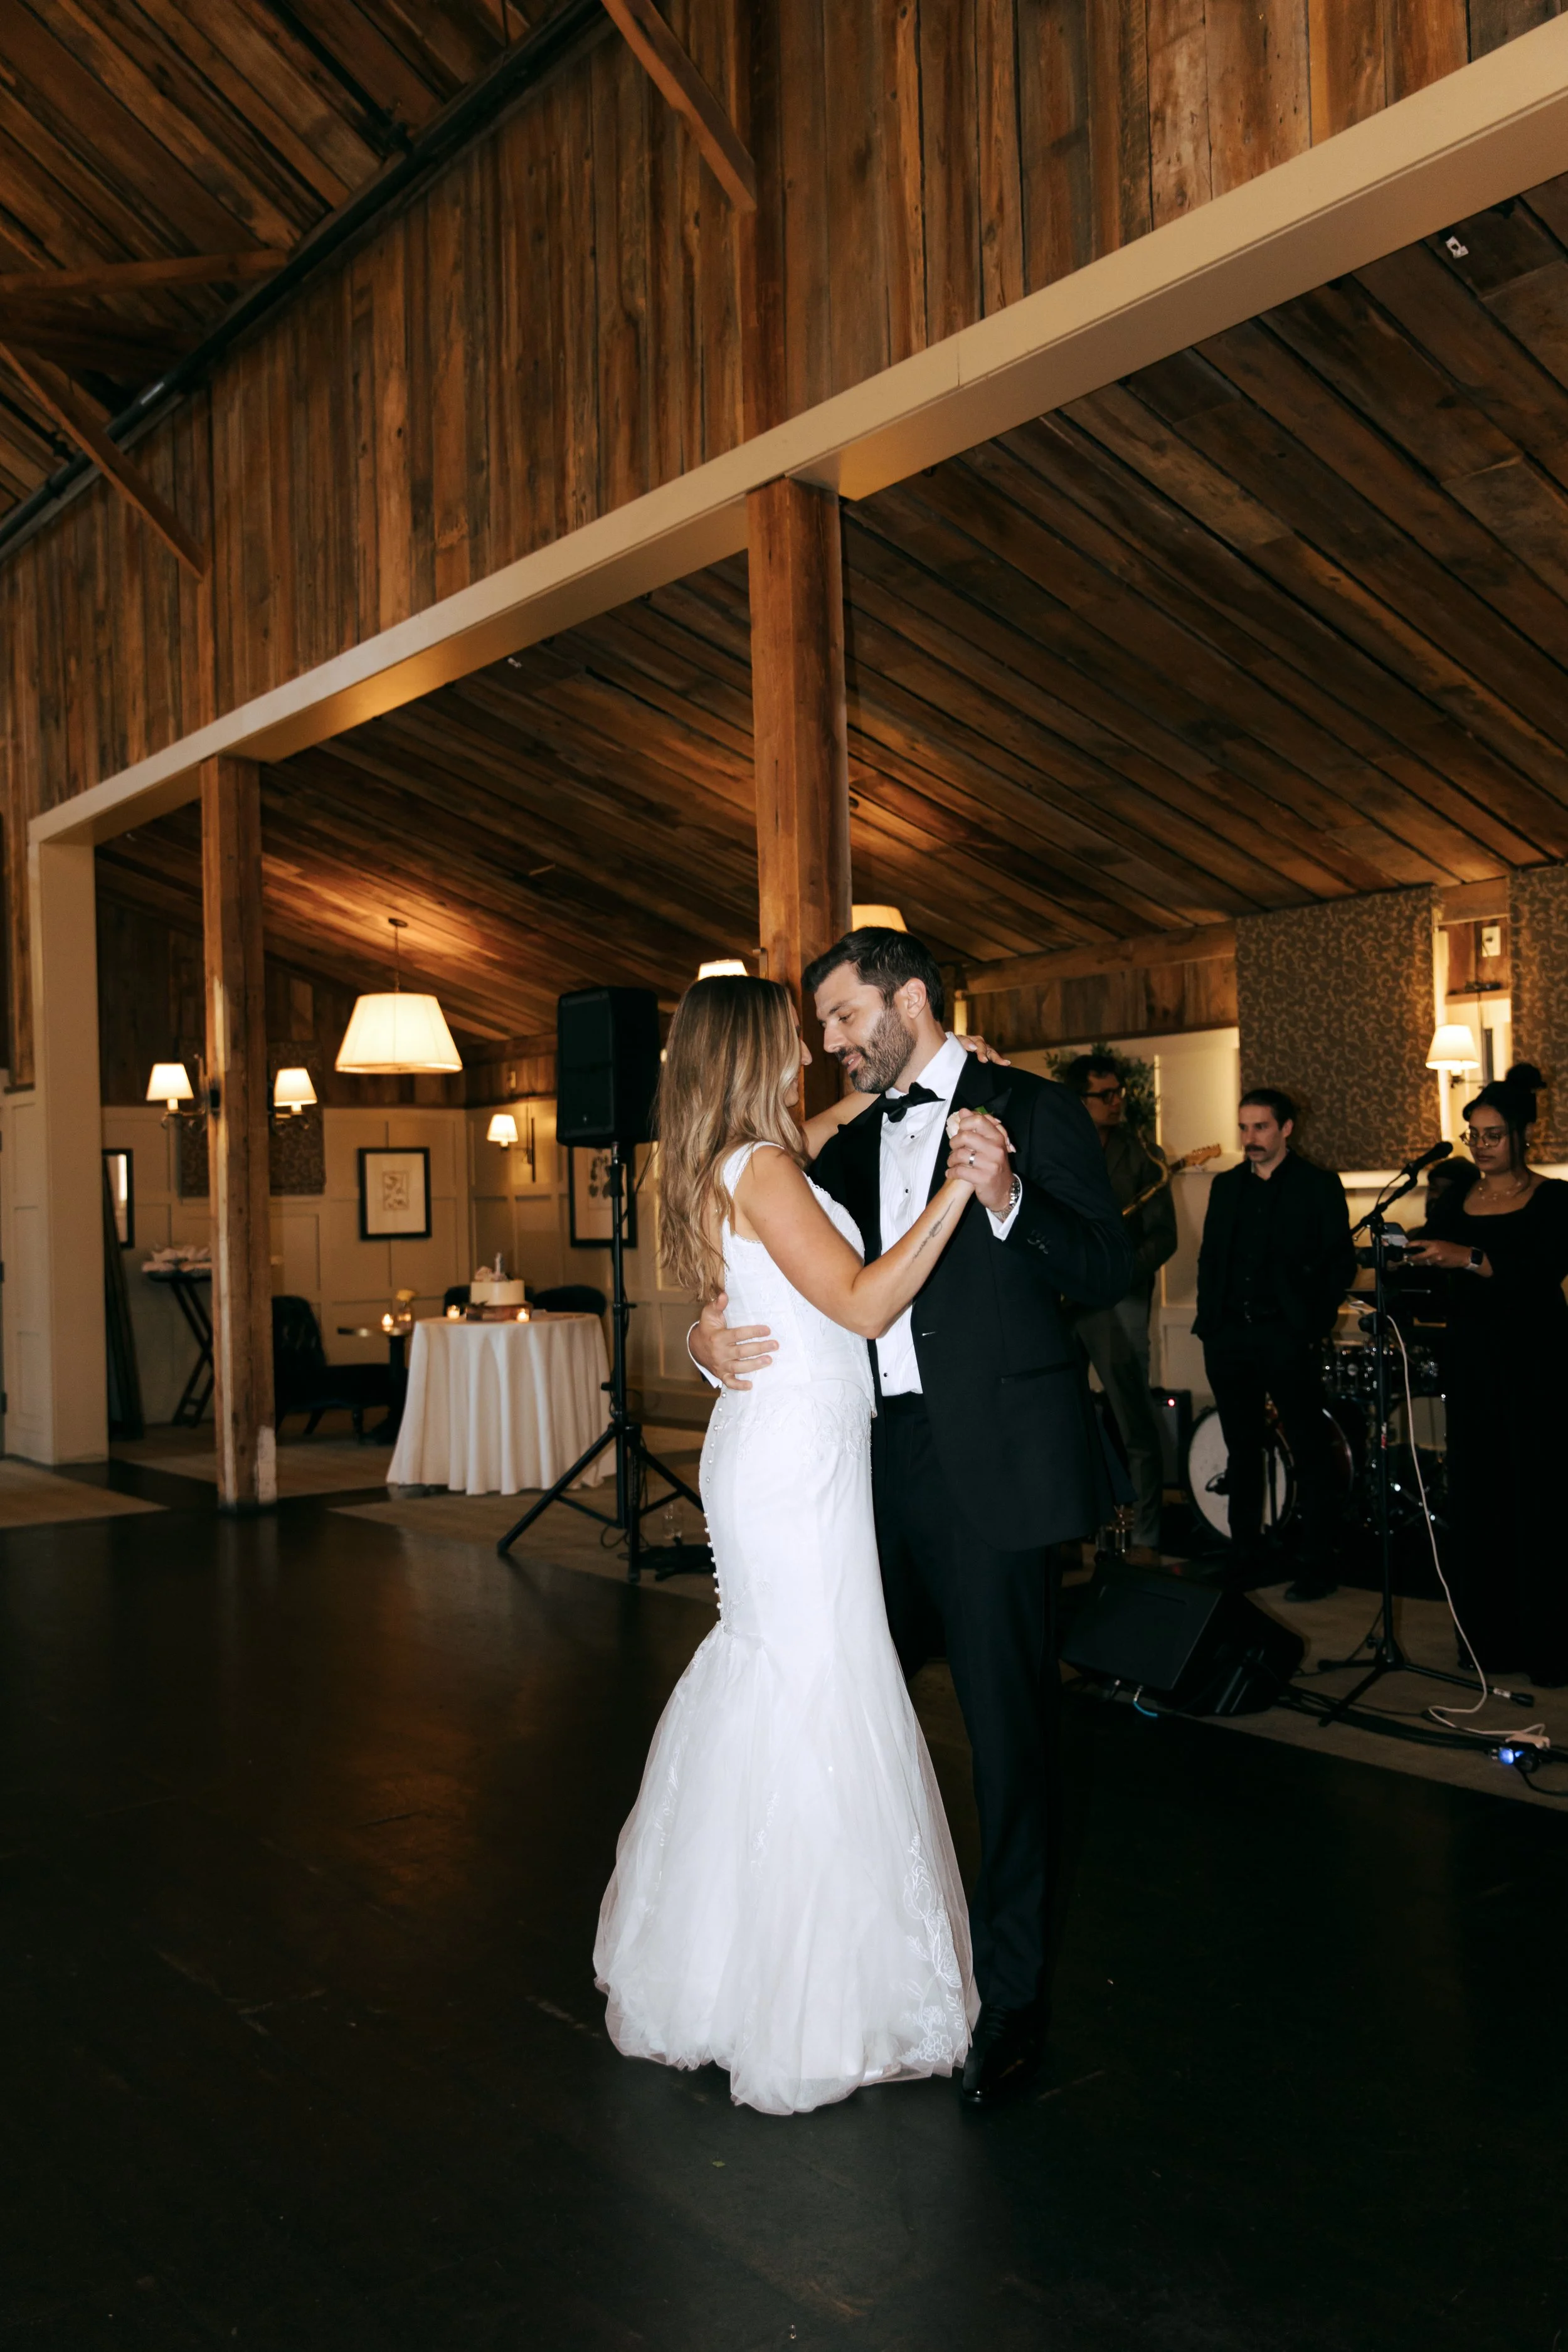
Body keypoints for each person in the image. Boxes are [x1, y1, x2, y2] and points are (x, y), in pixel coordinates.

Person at [689, 928, 1131, 2107]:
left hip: (989, 1465)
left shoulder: (1029, 1110)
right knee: (831, 1710)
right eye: (823, 1028)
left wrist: (1007, 1197)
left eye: (842, 1020)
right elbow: (758, 1255)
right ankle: (829, 1973)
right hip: (856, 1473)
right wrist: (699, 1336)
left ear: (911, 1001)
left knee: (1008, 1737)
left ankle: (1014, 2002)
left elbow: (1106, 1266)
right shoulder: (838, 1141)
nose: (829, 1046)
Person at [595, 974, 995, 2114]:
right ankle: (808, 1997)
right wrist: (957, 1197)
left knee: (778, 1677)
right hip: (794, 1464)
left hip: (773, 1449)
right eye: (797, 1034)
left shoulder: (738, 1157)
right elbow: (864, 1306)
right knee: (815, 1685)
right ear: (759, 1048)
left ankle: (726, 1971)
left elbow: (821, 1133)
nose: (817, 1050)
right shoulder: (763, 1171)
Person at [1407, 1064, 1568, 1685]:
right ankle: (1488, 1644)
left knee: (1539, 1500)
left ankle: (1548, 1646)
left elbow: (1538, 1273)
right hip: (1472, 1361)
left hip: (1536, 1362)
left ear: (1524, 1134)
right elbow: (1431, 1258)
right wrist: (1401, 1255)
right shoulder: (1455, 1198)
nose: (1481, 1146)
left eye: (1493, 1134)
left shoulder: (1553, 1199)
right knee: (1480, 1500)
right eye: (1473, 1135)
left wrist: (1471, 1258)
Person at [1194, 1088, 1355, 1601]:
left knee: (1308, 1448)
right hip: (1229, 1335)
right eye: (1244, 1128)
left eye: (1260, 1127)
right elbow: (1210, 1258)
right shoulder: (1226, 1186)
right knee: (1242, 1449)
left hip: (1285, 1335)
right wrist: (1210, 1322)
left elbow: (1340, 1265)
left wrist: (1308, 1325)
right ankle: (1246, 1555)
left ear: (1286, 1129)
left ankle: (1317, 1562)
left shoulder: (1317, 1185)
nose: (1250, 1139)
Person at [1059, 1053, 1178, 1557]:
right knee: (1062, 1418)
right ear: (1078, 1102)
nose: (1115, 1103)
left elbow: (1163, 1239)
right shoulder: (1057, 1152)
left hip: (1120, 1298)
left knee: (1136, 1423)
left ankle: (1147, 1538)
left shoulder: (1145, 1156)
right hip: (1066, 1301)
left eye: (1117, 1094)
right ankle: (1068, 1538)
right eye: (1103, 1096)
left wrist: (1110, 1275)